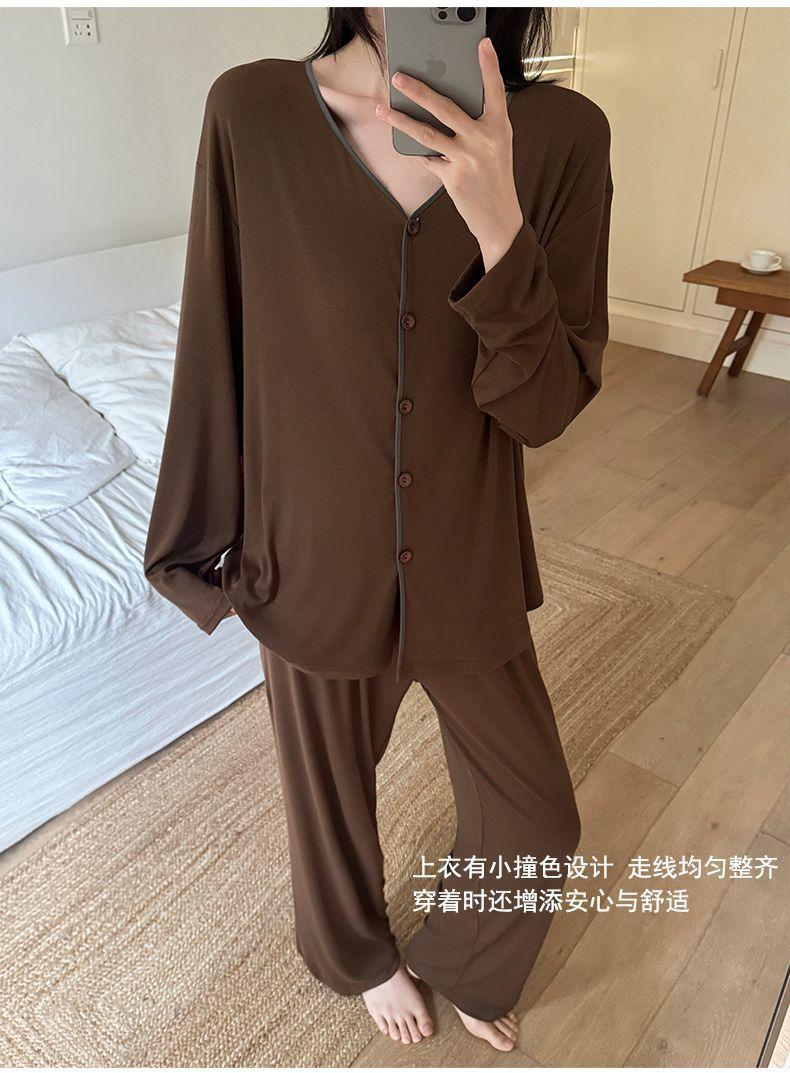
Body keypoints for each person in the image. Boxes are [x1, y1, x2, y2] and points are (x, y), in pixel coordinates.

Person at [144, 6, 613, 1054]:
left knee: (538, 817)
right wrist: (203, 532)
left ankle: (469, 954)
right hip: (309, 545)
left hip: (464, 544)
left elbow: (543, 407)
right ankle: (354, 954)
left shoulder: (565, 136)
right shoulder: (253, 112)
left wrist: (498, 223)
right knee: (327, 798)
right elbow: (220, 334)